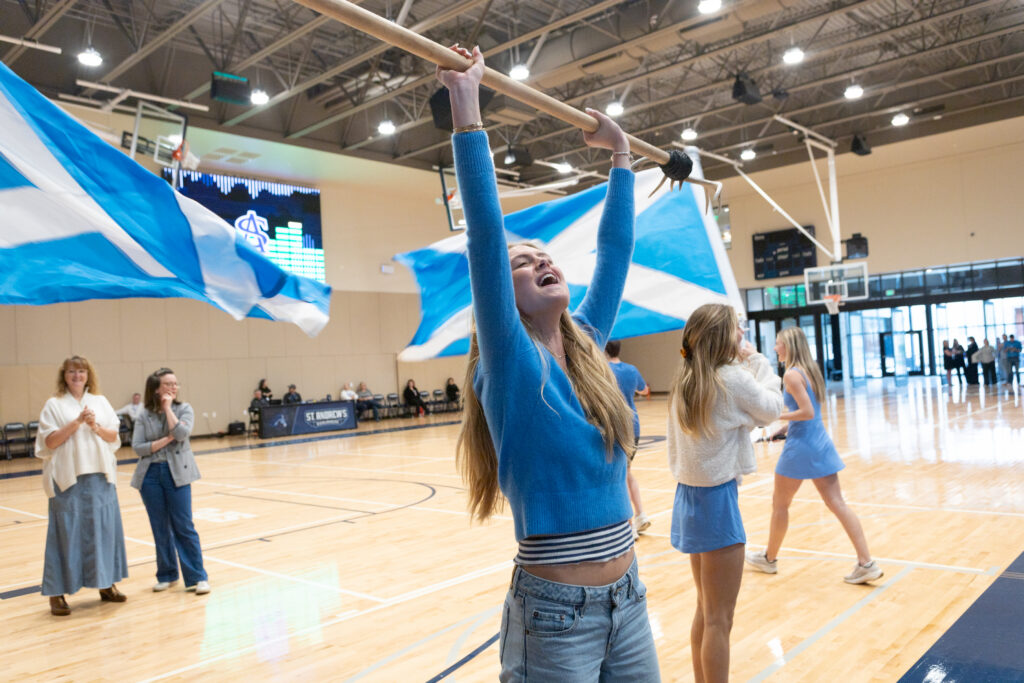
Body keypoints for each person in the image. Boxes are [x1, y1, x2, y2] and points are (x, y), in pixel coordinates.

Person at [441, 46, 659, 680]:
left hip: (630, 600)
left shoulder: (589, 345)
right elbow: (485, 232)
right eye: (521, 263)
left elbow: (614, 246)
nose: (538, 261)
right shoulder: (509, 364)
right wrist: (466, 103)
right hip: (555, 616)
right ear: (497, 298)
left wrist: (622, 158)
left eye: (543, 256)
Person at [666, 303, 783, 683]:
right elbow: (771, 409)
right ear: (723, 336)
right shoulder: (731, 378)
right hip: (716, 500)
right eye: (738, 329)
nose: (742, 336)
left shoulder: (686, 377)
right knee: (720, 618)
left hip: (690, 496)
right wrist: (761, 362)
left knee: (705, 609)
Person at [745, 327, 883, 586]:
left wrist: (775, 417)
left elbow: (806, 411)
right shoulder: (810, 370)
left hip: (802, 447)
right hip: (819, 441)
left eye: (778, 344)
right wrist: (786, 427)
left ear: (789, 346)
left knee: (780, 505)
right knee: (837, 503)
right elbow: (811, 412)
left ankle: (769, 559)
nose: (775, 348)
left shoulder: (791, 375)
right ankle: (866, 562)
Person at [35, 355, 128, 616]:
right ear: (64, 376)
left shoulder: (100, 401)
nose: (77, 376)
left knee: (104, 532)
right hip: (68, 479)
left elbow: (114, 438)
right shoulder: (53, 405)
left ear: (89, 375)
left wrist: (94, 426)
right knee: (65, 535)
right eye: (72, 371)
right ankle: (56, 594)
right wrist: (76, 422)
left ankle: (106, 584)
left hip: (100, 477)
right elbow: (49, 443)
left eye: (82, 371)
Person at [131, 368, 210, 595]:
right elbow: (138, 447)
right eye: (168, 384)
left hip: (178, 473)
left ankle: (198, 576)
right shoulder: (144, 414)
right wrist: (166, 440)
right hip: (150, 476)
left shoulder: (184, 409)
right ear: (156, 389)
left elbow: (182, 433)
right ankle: (166, 574)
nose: (173, 387)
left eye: (176, 383)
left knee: (184, 526)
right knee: (160, 527)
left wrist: (167, 408)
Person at [605, 340, 652, 536]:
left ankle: (629, 526)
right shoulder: (631, 369)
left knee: (620, 475)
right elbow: (644, 390)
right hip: (634, 426)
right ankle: (641, 515)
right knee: (627, 472)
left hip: (617, 426)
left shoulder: (603, 369)